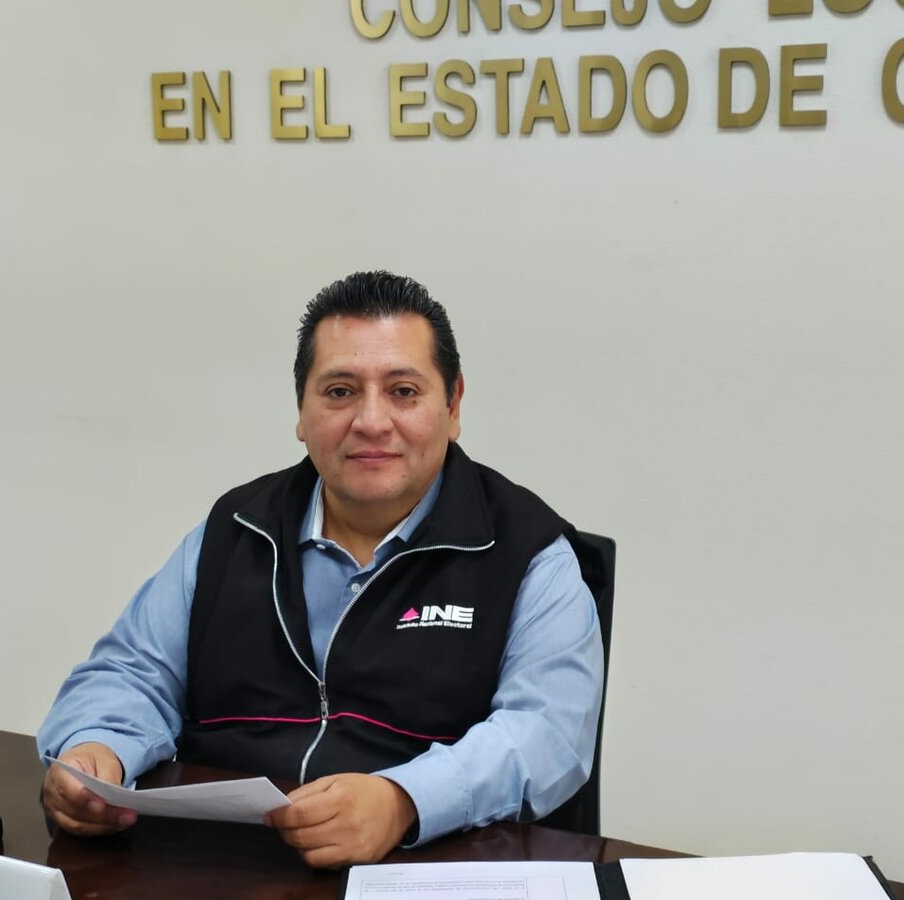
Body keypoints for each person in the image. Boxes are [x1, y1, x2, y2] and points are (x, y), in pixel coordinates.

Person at [37, 271, 603, 867]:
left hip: (428, 865)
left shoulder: (526, 551)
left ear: (453, 404)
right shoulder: (236, 529)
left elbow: (547, 733)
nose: (371, 421)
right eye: (340, 391)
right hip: (227, 865)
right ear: (302, 412)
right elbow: (132, 670)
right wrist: (94, 749)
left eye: (403, 391)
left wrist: (404, 799)